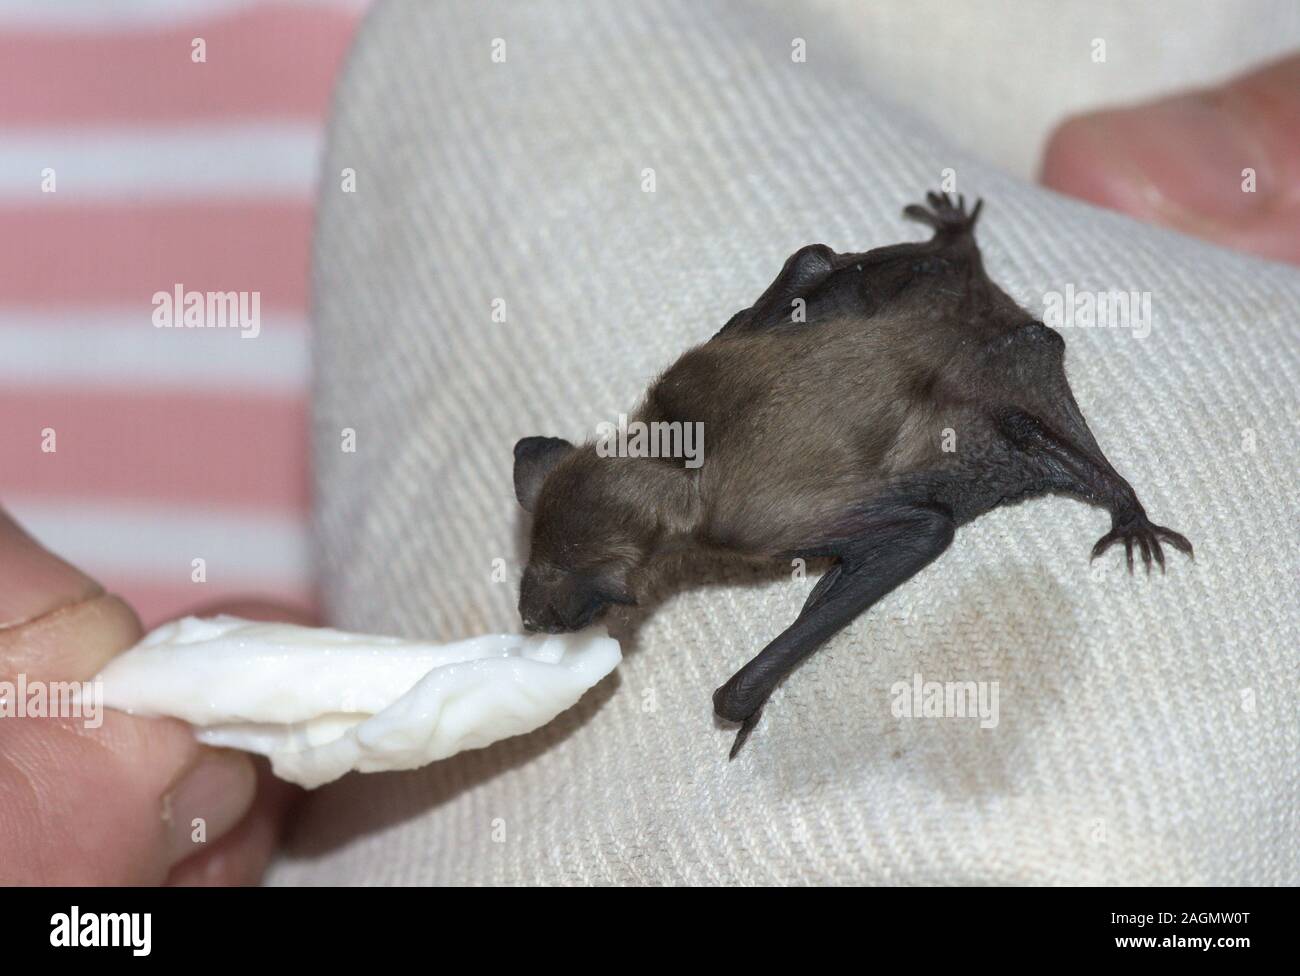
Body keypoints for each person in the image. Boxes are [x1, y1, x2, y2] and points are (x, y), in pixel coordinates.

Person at [3, 53, 1296, 885]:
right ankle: (960, 282)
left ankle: (1088, 459)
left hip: (951, 386)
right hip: (900, 336)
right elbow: (801, 285)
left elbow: (916, 526)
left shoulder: (768, 512)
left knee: (920, 504)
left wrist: (1118, 496)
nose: (558, 605)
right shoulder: (673, 407)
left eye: (566, 584)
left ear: (633, 564)